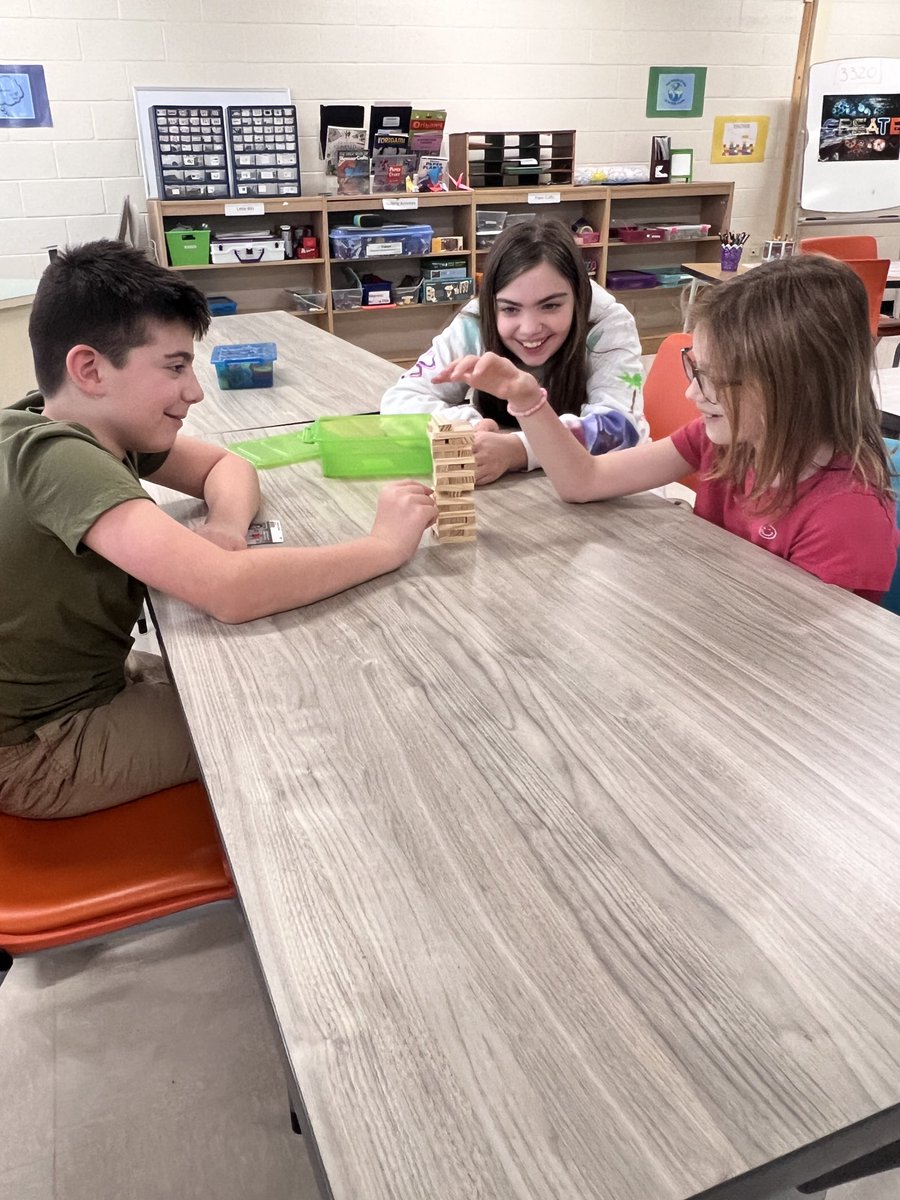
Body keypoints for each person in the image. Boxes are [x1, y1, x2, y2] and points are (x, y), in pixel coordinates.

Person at [0, 240, 436, 820]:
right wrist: (383, 545)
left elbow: (227, 466)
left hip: (80, 694)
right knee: (307, 714)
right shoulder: (61, 460)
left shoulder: (59, 421)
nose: (195, 390)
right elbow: (231, 591)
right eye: (175, 367)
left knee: (269, 666)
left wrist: (227, 527)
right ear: (90, 369)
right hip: (40, 750)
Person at [431, 254, 898, 601]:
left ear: (798, 387)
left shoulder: (846, 519)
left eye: (720, 380)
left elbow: (815, 667)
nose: (693, 395)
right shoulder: (724, 443)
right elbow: (583, 481)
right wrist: (527, 399)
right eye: (696, 369)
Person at [381, 217, 647, 485]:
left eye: (550, 306)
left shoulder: (608, 325)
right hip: (526, 491)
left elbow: (620, 428)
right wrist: (466, 426)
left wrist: (517, 450)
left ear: (578, 295)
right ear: (491, 304)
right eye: (510, 309)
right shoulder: (476, 323)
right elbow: (401, 400)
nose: (530, 329)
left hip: (612, 489)